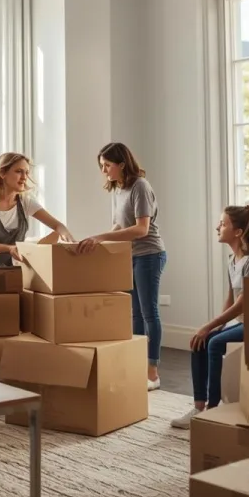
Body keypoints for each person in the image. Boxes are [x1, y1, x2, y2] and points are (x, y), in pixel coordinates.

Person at [171, 205, 249, 429]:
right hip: (244, 322)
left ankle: (213, 408)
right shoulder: (232, 259)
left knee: (214, 343)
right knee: (200, 341)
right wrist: (216, 325)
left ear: (238, 232)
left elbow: (244, 303)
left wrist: (210, 326)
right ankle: (198, 407)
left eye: (223, 224)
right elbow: (230, 296)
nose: (218, 227)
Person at [77, 142, 166, 390]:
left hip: (149, 254)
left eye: (107, 165)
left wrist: (100, 237)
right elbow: (119, 226)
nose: (104, 171)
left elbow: (141, 229)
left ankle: (152, 374)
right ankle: (136, 365)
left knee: (149, 313)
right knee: (134, 314)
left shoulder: (140, 186)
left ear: (122, 164)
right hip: (130, 255)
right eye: (101, 166)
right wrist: (96, 241)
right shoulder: (118, 189)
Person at [0, 152, 76, 266]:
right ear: (2, 173)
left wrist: (72, 243)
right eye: (18, 171)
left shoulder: (25, 202)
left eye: (26, 172)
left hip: (14, 270)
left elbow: (59, 227)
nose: (24, 177)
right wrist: (9, 248)